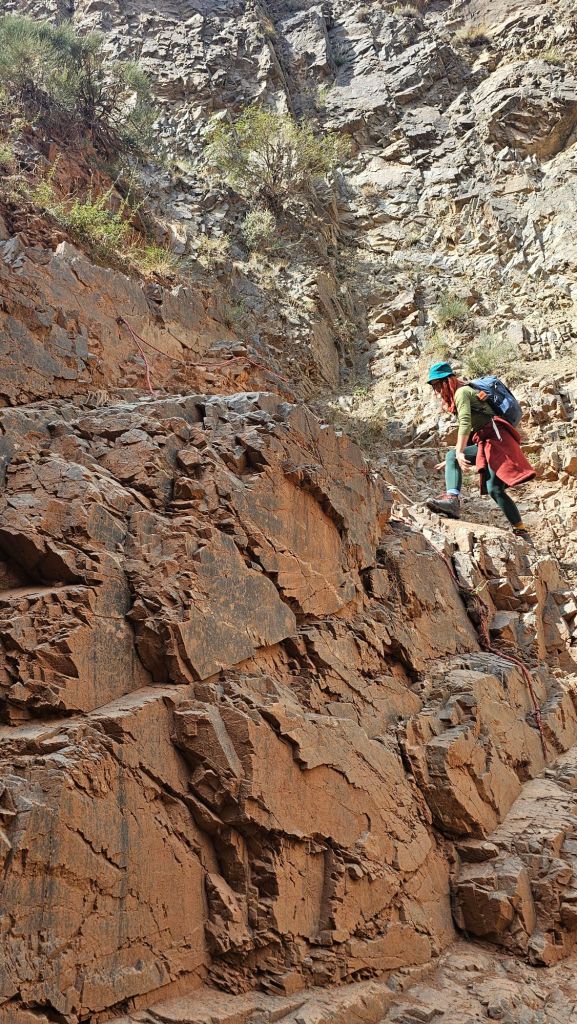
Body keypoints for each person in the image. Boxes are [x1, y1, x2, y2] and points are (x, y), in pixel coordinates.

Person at [425, 362, 534, 538]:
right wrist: (456, 456)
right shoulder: (463, 393)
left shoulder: (462, 393)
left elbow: (466, 424)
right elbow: (474, 428)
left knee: (490, 485)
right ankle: (521, 530)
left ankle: (453, 501)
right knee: (494, 489)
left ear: (448, 381)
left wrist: (459, 453)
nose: (437, 391)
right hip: (486, 439)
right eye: (434, 387)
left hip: (497, 438)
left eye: (438, 385)